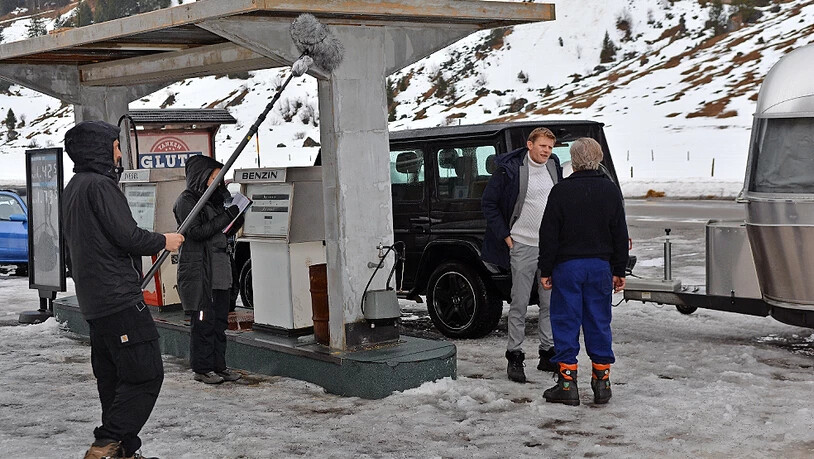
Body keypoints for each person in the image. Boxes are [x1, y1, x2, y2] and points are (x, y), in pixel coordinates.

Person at [63, 120, 184, 459]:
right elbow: (128, 236)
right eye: (115, 146)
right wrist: (165, 241)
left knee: (114, 381)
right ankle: (106, 443)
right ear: (99, 149)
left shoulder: (74, 186)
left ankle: (123, 451)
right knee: (146, 374)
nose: (119, 153)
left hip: (95, 303)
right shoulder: (100, 186)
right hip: (118, 300)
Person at [537, 137, 629, 406]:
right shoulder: (610, 191)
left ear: (573, 161)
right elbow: (619, 234)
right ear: (598, 158)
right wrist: (619, 269)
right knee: (599, 321)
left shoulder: (561, 191)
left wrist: (546, 268)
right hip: (600, 267)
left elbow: (549, 234)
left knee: (565, 321)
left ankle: (567, 385)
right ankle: (602, 384)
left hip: (568, 267)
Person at [481, 127, 563, 383]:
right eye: (542, 146)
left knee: (549, 303)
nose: (546, 152)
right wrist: (506, 235)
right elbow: (489, 203)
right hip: (522, 245)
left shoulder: (553, 167)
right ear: (530, 145)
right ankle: (515, 355)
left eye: (550, 148)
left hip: (549, 247)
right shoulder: (510, 169)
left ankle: (547, 353)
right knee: (519, 303)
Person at [174, 155, 243, 385]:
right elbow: (196, 232)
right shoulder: (187, 201)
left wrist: (236, 216)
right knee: (203, 322)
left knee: (220, 322)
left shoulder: (214, 200)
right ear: (202, 177)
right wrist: (226, 217)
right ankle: (202, 368)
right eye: (214, 176)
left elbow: (223, 231)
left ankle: (219, 365)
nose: (218, 181)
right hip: (201, 271)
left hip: (220, 269)